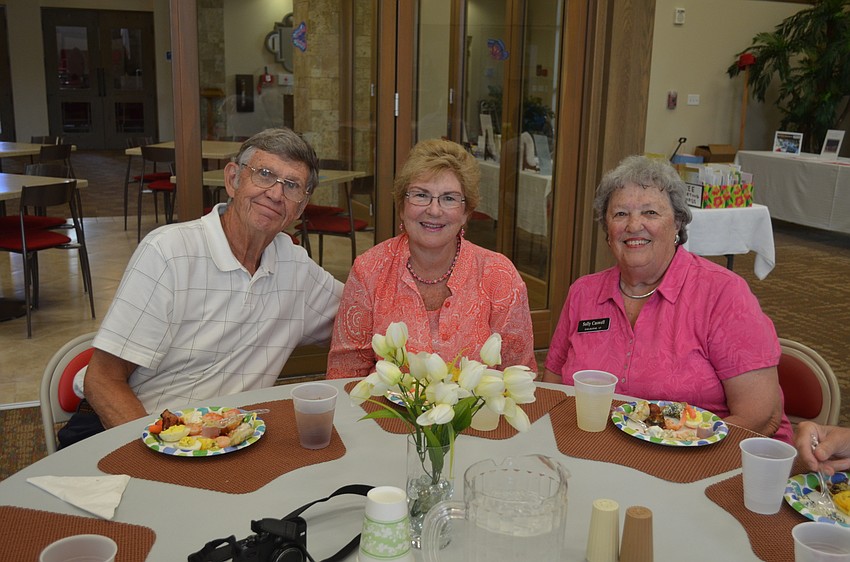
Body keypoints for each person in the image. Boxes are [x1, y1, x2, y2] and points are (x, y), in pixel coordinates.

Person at [58, 128, 343, 446]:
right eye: (264, 175)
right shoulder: (168, 252)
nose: (276, 194)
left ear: (300, 207)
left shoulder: (296, 267)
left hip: (223, 443)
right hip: (131, 431)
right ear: (233, 179)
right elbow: (102, 379)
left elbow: (363, 315)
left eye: (291, 185)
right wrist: (155, 454)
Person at [542, 155, 792, 443]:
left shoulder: (722, 293)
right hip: (595, 446)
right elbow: (553, 385)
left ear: (677, 224)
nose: (634, 225)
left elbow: (760, 415)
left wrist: (680, 447)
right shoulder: (584, 293)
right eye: (620, 214)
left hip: (699, 453)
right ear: (607, 231)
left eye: (650, 212)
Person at [326, 138, 536, 379]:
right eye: (421, 195)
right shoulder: (369, 270)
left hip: (480, 406)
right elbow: (345, 375)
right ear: (402, 207)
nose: (434, 210)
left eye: (449, 198)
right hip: (383, 404)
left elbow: (518, 375)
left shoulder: (499, 275)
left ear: (466, 213)